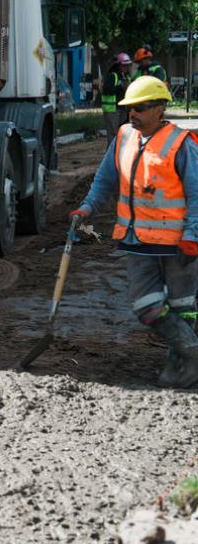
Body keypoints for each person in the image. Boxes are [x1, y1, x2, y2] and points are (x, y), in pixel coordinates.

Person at [71, 75, 198, 389]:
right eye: (130, 108)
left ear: (160, 108)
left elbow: (197, 194)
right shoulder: (124, 138)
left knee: (184, 310)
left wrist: (192, 236)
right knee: (147, 307)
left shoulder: (181, 144)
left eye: (140, 107)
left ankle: (182, 369)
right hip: (138, 241)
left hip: (178, 245)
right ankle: (192, 351)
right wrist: (86, 208)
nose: (132, 113)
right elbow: (104, 181)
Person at [102, 53, 133, 140]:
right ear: (118, 65)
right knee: (113, 134)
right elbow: (106, 91)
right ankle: (112, 149)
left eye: (127, 65)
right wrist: (120, 87)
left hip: (123, 109)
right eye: (124, 65)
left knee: (123, 133)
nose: (126, 67)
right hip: (112, 110)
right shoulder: (113, 76)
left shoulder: (126, 77)